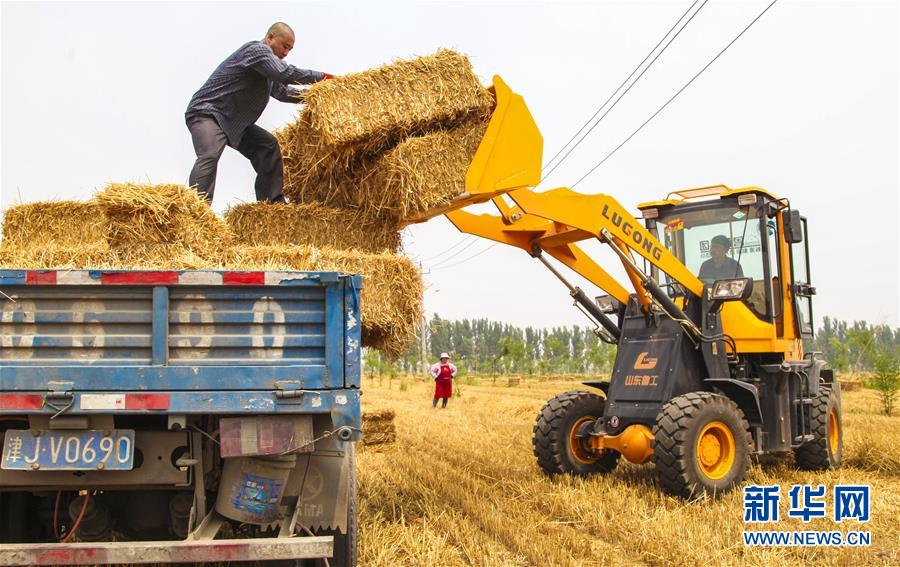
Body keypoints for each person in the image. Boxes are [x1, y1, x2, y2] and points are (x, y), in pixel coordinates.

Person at [185, 22, 333, 203]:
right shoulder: (257, 51)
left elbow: (282, 92)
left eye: (290, 49)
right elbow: (284, 73)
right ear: (270, 38)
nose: (286, 52)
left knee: (267, 146)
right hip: (209, 112)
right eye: (284, 46)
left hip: (235, 122)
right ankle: (196, 209)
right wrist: (322, 77)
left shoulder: (268, 68)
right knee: (210, 154)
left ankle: (272, 205)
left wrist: (316, 96)